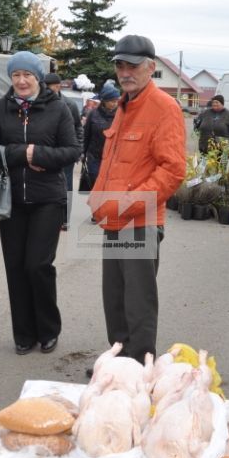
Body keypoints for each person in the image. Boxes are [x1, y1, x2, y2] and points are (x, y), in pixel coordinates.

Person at [87, 35, 187, 364]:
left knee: (137, 302)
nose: (125, 71)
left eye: (133, 65)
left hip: (139, 220)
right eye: (120, 65)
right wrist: (98, 201)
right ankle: (119, 363)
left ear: (151, 68)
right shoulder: (125, 105)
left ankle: (140, 370)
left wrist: (125, 204)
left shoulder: (163, 108)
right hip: (115, 216)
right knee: (114, 297)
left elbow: (172, 170)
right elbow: (113, 160)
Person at [0, 52, 79, 355]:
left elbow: (72, 150)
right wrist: (23, 153)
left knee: (37, 265)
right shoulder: (0, 108)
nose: (21, 81)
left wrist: (41, 156)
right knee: (16, 267)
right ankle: (23, 334)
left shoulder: (59, 109)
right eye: (15, 75)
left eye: (27, 75)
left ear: (37, 77)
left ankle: (48, 329)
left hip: (48, 197)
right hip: (11, 199)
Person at [44, 72, 83, 230]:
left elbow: (78, 128)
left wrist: (78, 149)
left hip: (66, 152)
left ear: (58, 86)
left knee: (66, 185)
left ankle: (65, 219)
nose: (46, 89)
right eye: (44, 86)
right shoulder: (40, 103)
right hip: (46, 152)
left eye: (49, 87)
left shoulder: (69, 105)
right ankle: (47, 217)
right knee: (47, 184)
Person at [79, 83, 121, 192]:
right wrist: (83, 152)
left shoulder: (121, 115)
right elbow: (86, 135)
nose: (114, 104)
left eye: (116, 101)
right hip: (94, 157)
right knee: (95, 182)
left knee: (109, 186)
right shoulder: (93, 114)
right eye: (111, 101)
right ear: (104, 101)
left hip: (113, 158)